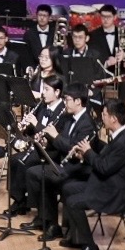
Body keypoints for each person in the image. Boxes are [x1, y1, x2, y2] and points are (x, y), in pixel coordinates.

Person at [61, 99, 125, 250]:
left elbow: (103, 168)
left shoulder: (123, 142)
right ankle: (76, 237)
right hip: (104, 184)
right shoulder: (117, 136)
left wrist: (88, 152)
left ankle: (90, 248)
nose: (101, 117)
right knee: (67, 188)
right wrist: (84, 154)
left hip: (114, 193)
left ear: (113, 119)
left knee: (73, 202)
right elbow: (104, 160)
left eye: (104, 114)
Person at [22, 82, 98, 238]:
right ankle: (46, 219)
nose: (65, 103)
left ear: (78, 101)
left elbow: (73, 149)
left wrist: (55, 136)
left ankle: (51, 224)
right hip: (65, 164)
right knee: (33, 172)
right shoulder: (68, 118)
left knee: (44, 175)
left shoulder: (87, 124)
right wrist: (46, 141)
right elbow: (61, 142)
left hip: (79, 169)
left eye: (67, 99)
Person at [3, 75, 66, 218]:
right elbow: (32, 131)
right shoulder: (42, 105)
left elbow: (53, 135)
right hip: (37, 147)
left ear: (57, 92)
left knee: (23, 163)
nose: (43, 93)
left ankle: (25, 203)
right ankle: (19, 200)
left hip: (51, 151)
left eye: (47, 89)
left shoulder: (63, 111)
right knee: (14, 160)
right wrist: (24, 128)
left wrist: (36, 123)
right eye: (43, 89)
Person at [86, 5, 125, 104]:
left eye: (108, 17)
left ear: (114, 17)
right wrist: (106, 62)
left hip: (118, 70)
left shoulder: (122, 33)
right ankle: (100, 110)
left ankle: (119, 109)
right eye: (103, 17)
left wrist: (124, 55)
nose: (105, 20)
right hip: (100, 71)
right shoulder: (93, 35)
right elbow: (92, 55)